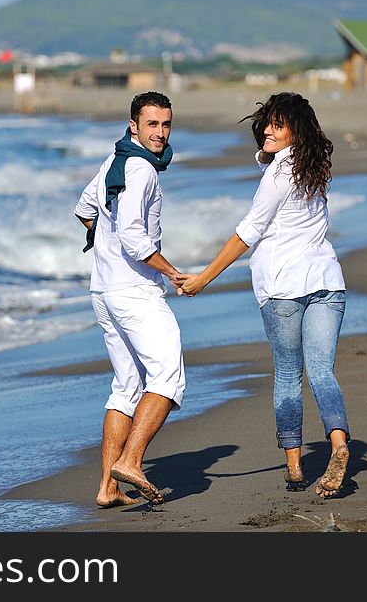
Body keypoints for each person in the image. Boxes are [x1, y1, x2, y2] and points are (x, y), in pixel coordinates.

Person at [179, 91, 350, 499]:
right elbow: (276, 167)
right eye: (266, 124)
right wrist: (267, 153)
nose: (268, 131)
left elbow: (247, 232)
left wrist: (204, 278)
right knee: (323, 371)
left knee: (289, 374)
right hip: (328, 281)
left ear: (296, 130)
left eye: (278, 125)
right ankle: (340, 444)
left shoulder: (276, 175)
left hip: (283, 288)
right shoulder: (315, 167)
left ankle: (294, 466)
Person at [74, 91, 186, 507]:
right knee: (168, 376)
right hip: (133, 292)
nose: (160, 133)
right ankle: (132, 462)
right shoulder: (140, 170)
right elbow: (134, 237)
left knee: (127, 385)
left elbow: (85, 209)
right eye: (152, 124)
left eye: (166, 124)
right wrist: (172, 271)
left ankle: (107, 488)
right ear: (134, 125)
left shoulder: (114, 162)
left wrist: (102, 241)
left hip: (103, 289)